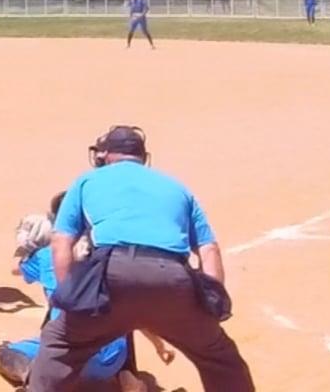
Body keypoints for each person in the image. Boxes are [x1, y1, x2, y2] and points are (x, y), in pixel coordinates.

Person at [24, 125, 253, 392]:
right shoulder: (177, 188)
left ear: (105, 155)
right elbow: (208, 249)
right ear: (143, 157)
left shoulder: (86, 181)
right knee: (219, 357)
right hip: (173, 280)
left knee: (59, 345)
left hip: (113, 275)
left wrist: (71, 297)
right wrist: (210, 306)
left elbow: (61, 242)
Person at [0, 190, 176, 391]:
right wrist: (159, 346)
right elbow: (138, 316)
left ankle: (34, 376)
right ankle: (127, 375)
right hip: (112, 359)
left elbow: (15, 270)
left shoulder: (46, 255)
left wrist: (29, 248)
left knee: (7, 352)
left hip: (67, 358)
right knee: (119, 312)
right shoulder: (114, 256)